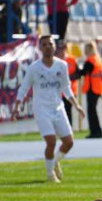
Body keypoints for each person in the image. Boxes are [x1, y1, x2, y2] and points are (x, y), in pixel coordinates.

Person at [15, 35, 85, 183]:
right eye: (44, 44)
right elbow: (24, 87)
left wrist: (77, 106)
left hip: (58, 107)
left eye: (50, 44)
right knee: (51, 141)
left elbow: (66, 88)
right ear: (40, 48)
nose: (48, 47)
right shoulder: (34, 68)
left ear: (55, 47)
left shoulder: (62, 66)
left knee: (69, 142)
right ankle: (49, 175)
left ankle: (54, 162)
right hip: (41, 109)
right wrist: (17, 105)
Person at [71, 41, 102, 138]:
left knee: (91, 111)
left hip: (92, 89)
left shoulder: (90, 61)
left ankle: (95, 132)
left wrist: (72, 75)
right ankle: (97, 131)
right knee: (93, 110)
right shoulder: (97, 59)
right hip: (98, 88)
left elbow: (82, 73)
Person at [57, 41, 79, 124]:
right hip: (58, 91)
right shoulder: (54, 60)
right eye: (59, 49)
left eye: (63, 48)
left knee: (68, 112)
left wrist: (68, 78)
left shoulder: (72, 60)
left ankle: (69, 130)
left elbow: (78, 74)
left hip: (70, 90)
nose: (61, 51)